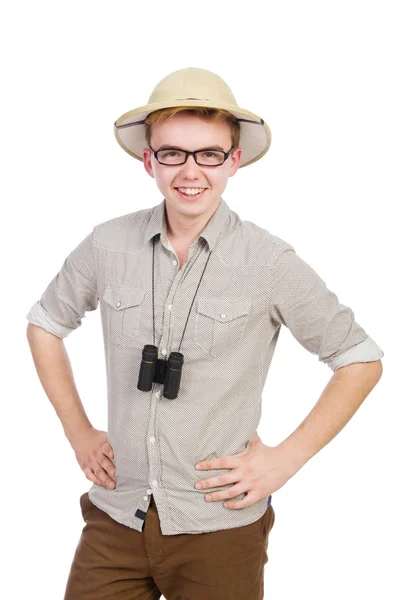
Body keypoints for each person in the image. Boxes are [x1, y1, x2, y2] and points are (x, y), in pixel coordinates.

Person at [26, 67, 384, 600]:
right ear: (148, 159)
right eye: (172, 153)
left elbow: (359, 358)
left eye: (209, 154)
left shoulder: (269, 262)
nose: (190, 171)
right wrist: (78, 431)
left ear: (233, 161)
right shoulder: (107, 245)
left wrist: (286, 459)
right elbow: (45, 325)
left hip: (221, 527)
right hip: (117, 516)